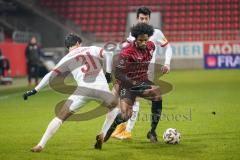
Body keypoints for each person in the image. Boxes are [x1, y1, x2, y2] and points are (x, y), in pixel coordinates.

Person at [23, 33, 119, 152]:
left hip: (83, 91)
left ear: (68, 47)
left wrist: (35, 89)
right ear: (78, 43)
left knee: (60, 117)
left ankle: (40, 145)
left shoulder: (66, 58)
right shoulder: (91, 48)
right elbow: (109, 53)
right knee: (115, 108)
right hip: (101, 89)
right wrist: (108, 73)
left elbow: (50, 75)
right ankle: (102, 133)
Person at [95, 23, 164, 149]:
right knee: (126, 115)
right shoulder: (127, 52)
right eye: (140, 40)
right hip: (127, 85)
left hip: (142, 81)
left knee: (157, 95)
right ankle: (111, 128)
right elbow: (119, 74)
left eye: (145, 40)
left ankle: (152, 132)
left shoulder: (151, 46)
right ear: (135, 39)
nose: (144, 43)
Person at [111, 6, 172, 140]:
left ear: (149, 19)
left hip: (147, 71)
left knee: (136, 99)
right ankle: (123, 128)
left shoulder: (156, 33)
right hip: (132, 71)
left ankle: (127, 130)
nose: (143, 20)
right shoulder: (133, 34)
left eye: (146, 18)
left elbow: (168, 48)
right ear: (137, 18)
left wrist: (167, 63)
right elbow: (125, 50)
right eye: (141, 18)